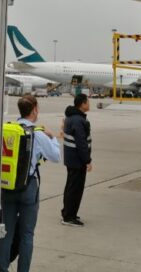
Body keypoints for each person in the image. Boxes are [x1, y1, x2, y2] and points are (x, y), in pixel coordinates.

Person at [0, 95, 61, 272]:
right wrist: (53, 138)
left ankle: (2, 268)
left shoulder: (7, 129)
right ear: (34, 109)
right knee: (27, 234)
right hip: (28, 188)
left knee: (6, 232)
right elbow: (56, 157)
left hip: (7, 186)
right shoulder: (38, 133)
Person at [61, 93, 92, 226]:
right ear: (82, 104)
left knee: (71, 187)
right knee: (75, 189)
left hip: (72, 160)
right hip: (77, 161)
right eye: (87, 102)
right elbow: (81, 143)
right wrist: (87, 160)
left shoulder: (72, 118)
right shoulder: (78, 121)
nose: (89, 104)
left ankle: (68, 212)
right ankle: (69, 217)